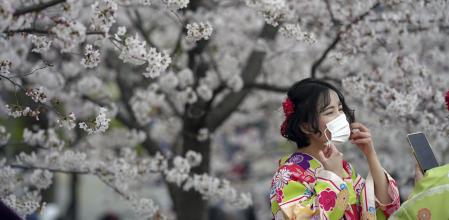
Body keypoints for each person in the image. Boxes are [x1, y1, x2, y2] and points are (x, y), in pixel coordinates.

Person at [269, 78, 400, 219]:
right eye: (330, 112)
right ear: (306, 126)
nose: (341, 117)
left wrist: (370, 154)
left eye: (340, 109)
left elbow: (381, 208)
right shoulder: (287, 175)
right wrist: (334, 178)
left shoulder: (344, 168)